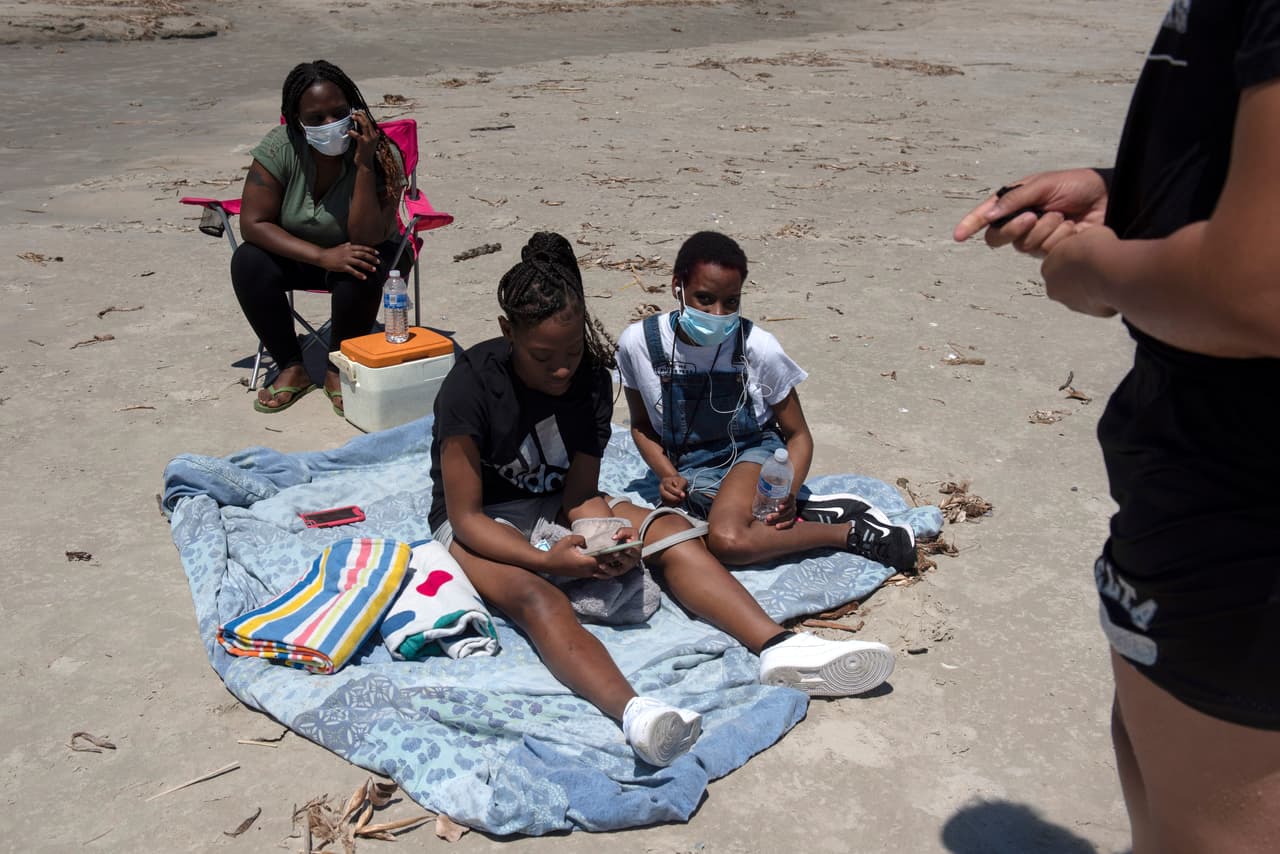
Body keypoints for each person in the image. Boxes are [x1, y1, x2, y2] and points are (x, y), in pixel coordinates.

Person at [953, 4, 1280, 852]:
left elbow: (1261, 290)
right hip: (1194, 469)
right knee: (1156, 778)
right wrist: (1133, 191)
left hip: (1245, 497)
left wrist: (1093, 270)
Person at [428, 232, 898, 767]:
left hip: (552, 501)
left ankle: (778, 647)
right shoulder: (469, 387)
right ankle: (636, 712)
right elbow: (464, 517)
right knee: (538, 597)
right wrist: (545, 558)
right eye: (542, 357)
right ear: (507, 332)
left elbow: (580, 493)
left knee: (672, 533)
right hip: (479, 520)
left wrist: (605, 536)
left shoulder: (588, 382)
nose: (561, 369)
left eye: (573, 351)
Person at [615, 231, 916, 572]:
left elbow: (798, 434)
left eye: (731, 302)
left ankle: (848, 532)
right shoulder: (638, 343)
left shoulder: (758, 347)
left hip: (751, 454)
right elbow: (640, 426)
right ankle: (811, 514)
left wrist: (789, 492)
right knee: (679, 543)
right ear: (677, 287)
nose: (717, 314)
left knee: (727, 541)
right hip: (691, 472)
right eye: (704, 298)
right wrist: (666, 473)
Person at [232, 60, 408, 415]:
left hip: (372, 254)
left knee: (362, 263)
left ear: (355, 110)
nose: (330, 124)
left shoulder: (383, 154)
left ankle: (335, 368)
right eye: (315, 119)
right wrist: (323, 256)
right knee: (248, 261)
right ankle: (291, 366)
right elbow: (252, 223)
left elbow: (368, 235)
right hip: (304, 255)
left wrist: (363, 164)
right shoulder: (281, 148)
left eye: (339, 113)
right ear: (295, 119)